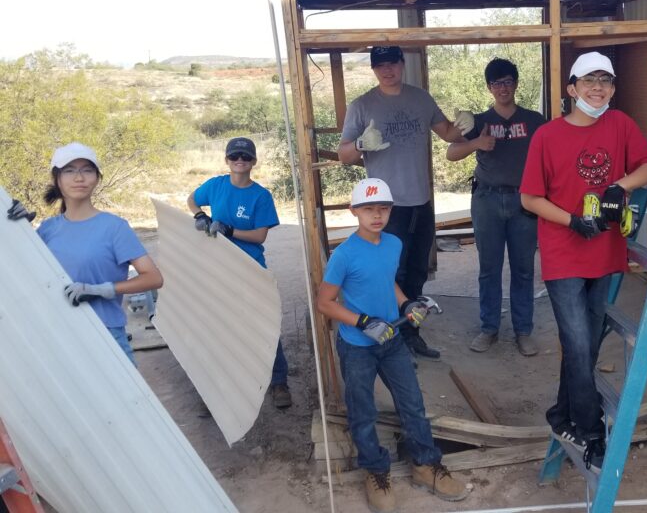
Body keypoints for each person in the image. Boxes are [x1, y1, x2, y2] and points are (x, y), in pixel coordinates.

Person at [519, 52, 647, 470]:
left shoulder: (619, 125)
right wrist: (571, 221)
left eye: (605, 81)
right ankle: (590, 432)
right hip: (564, 252)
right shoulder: (547, 136)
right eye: (588, 81)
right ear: (572, 89)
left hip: (604, 253)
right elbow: (530, 198)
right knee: (579, 344)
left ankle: (560, 416)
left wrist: (620, 185)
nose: (597, 88)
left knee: (587, 346)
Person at [317, 178, 467, 513]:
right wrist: (363, 322)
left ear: (390, 211)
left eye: (383, 208)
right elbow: (324, 303)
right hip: (357, 345)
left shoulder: (393, 244)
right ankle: (375, 471)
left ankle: (426, 466)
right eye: (369, 209)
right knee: (363, 411)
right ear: (354, 211)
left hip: (391, 341)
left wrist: (405, 306)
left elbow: (389, 284)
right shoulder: (343, 255)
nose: (377, 215)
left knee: (412, 403)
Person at [338, 46, 468, 361]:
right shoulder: (363, 105)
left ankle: (412, 335)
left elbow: (448, 133)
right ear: (373, 70)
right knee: (389, 274)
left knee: (416, 273)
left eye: (392, 64)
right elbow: (344, 156)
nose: (387, 70)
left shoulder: (420, 99)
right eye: (379, 65)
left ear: (401, 64)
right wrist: (359, 144)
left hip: (420, 203)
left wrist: (464, 125)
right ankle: (390, 340)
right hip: (385, 208)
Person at [6, 142, 164, 365]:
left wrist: (103, 289)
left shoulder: (114, 227)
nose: (79, 178)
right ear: (57, 179)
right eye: (69, 170)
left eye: (87, 170)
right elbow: (22, 273)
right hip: (56, 332)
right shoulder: (47, 229)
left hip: (105, 332)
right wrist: (16, 231)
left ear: (97, 178)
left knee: (121, 399)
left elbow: (153, 278)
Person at [446, 58, 545, 356]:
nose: (503, 88)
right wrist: (477, 143)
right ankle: (489, 328)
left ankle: (523, 331)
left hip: (523, 200)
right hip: (487, 199)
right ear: (489, 88)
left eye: (507, 82)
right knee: (489, 268)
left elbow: (549, 156)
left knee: (524, 269)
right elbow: (451, 152)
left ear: (516, 84)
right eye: (496, 83)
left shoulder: (534, 120)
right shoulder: (477, 121)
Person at [187, 136, 292, 409]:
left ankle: (278, 381)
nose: (240, 161)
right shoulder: (216, 186)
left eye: (245, 157)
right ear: (227, 160)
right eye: (235, 156)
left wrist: (230, 230)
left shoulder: (261, 196)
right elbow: (192, 199)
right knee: (219, 327)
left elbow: (260, 236)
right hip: (219, 269)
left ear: (253, 162)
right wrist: (200, 216)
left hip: (251, 268)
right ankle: (215, 389)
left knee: (264, 325)